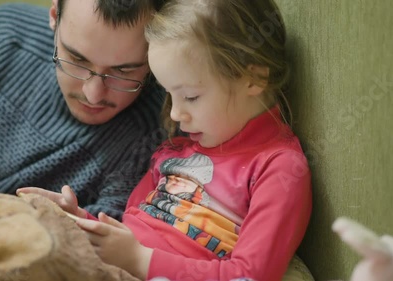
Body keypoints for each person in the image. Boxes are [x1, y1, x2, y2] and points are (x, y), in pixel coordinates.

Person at [18, 0, 312, 280]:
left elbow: (249, 276)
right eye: (169, 95)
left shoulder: (278, 168)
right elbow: (130, 232)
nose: (175, 113)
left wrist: (138, 260)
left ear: (253, 79)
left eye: (191, 97)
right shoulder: (173, 151)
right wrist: (80, 220)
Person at [0, 0, 168, 239]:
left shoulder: (159, 123)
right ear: (54, 15)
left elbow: (109, 231)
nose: (93, 95)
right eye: (76, 59)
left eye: (123, 71)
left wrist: (78, 222)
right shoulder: (2, 37)